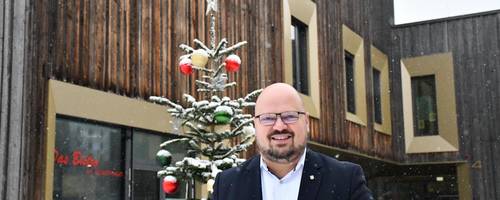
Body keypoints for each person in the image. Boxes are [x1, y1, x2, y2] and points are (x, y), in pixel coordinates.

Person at [212, 83, 373, 200]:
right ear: (256, 125)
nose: (280, 126)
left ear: (307, 122)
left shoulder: (345, 180)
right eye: (268, 118)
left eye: (290, 116)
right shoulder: (226, 185)